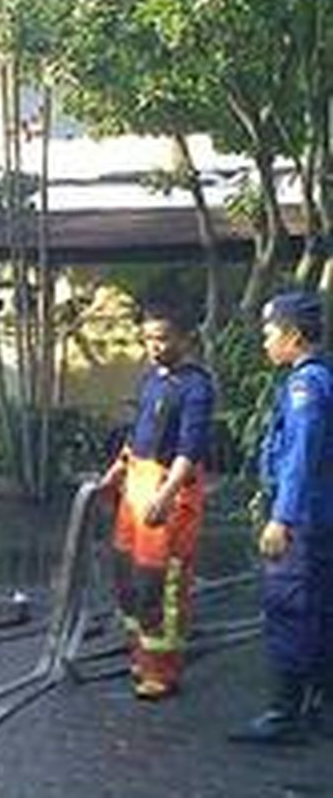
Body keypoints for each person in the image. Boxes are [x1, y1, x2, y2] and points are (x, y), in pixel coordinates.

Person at [229, 291, 333, 745]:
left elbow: (300, 456)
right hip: (321, 513)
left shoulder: (304, 385)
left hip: (305, 518)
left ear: (293, 334)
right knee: (322, 609)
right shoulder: (322, 377)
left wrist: (282, 518)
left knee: (289, 607)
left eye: (270, 333)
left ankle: (284, 714)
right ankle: (321, 708)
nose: (265, 342)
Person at [99, 300, 215, 700]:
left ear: (186, 337)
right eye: (148, 337)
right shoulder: (151, 380)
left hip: (170, 487)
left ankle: (161, 671)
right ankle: (139, 656)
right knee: (127, 573)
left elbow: (191, 446)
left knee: (159, 581)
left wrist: (167, 494)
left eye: (163, 337)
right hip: (137, 482)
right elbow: (138, 433)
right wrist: (117, 470)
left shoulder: (196, 385)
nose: (154, 345)